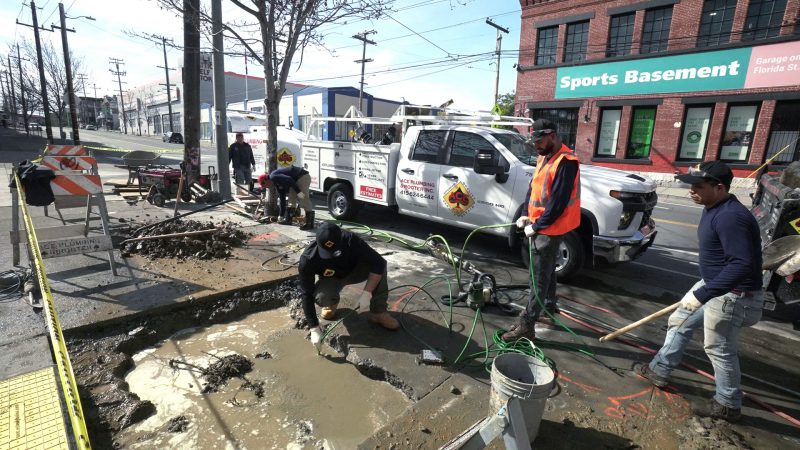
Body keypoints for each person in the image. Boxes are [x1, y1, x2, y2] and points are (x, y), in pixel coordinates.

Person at [634, 160, 763, 422]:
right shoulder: (713, 204)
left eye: (698, 186)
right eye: (691, 185)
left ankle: (728, 403)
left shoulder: (731, 217)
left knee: (718, 347)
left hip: (733, 294)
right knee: (679, 320)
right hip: (714, 284)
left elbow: (741, 265)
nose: (692, 191)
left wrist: (703, 294)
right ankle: (659, 369)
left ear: (719, 188)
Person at [502, 118, 581, 342]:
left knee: (537, 277)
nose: (535, 145)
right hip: (540, 223)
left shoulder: (566, 162)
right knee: (546, 271)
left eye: (539, 140)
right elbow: (534, 187)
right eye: (533, 140)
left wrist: (536, 226)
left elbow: (557, 203)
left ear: (552, 136)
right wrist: (526, 215)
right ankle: (548, 306)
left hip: (550, 228)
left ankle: (527, 324)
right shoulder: (544, 156)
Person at [299, 223, 400, 351]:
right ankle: (332, 303)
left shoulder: (351, 240)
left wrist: (366, 294)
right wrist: (314, 328)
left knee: (379, 268)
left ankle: (378, 312)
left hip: (357, 271)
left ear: (341, 240)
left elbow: (379, 263)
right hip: (333, 278)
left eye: (334, 252)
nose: (330, 256)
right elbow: (306, 293)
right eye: (326, 253)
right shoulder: (308, 259)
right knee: (322, 297)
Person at [265, 165, 314, 230]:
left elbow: (289, 179)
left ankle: (309, 224)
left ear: (266, 180)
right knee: (291, 199)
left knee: (304, 199)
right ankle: (288, 220)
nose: (267, 187)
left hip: (303, 177)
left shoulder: (273, 176)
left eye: (265, 185)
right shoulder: (275, 182)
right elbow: (282, 198)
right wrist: (281, 215)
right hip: (295, 180)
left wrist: (298, 192)